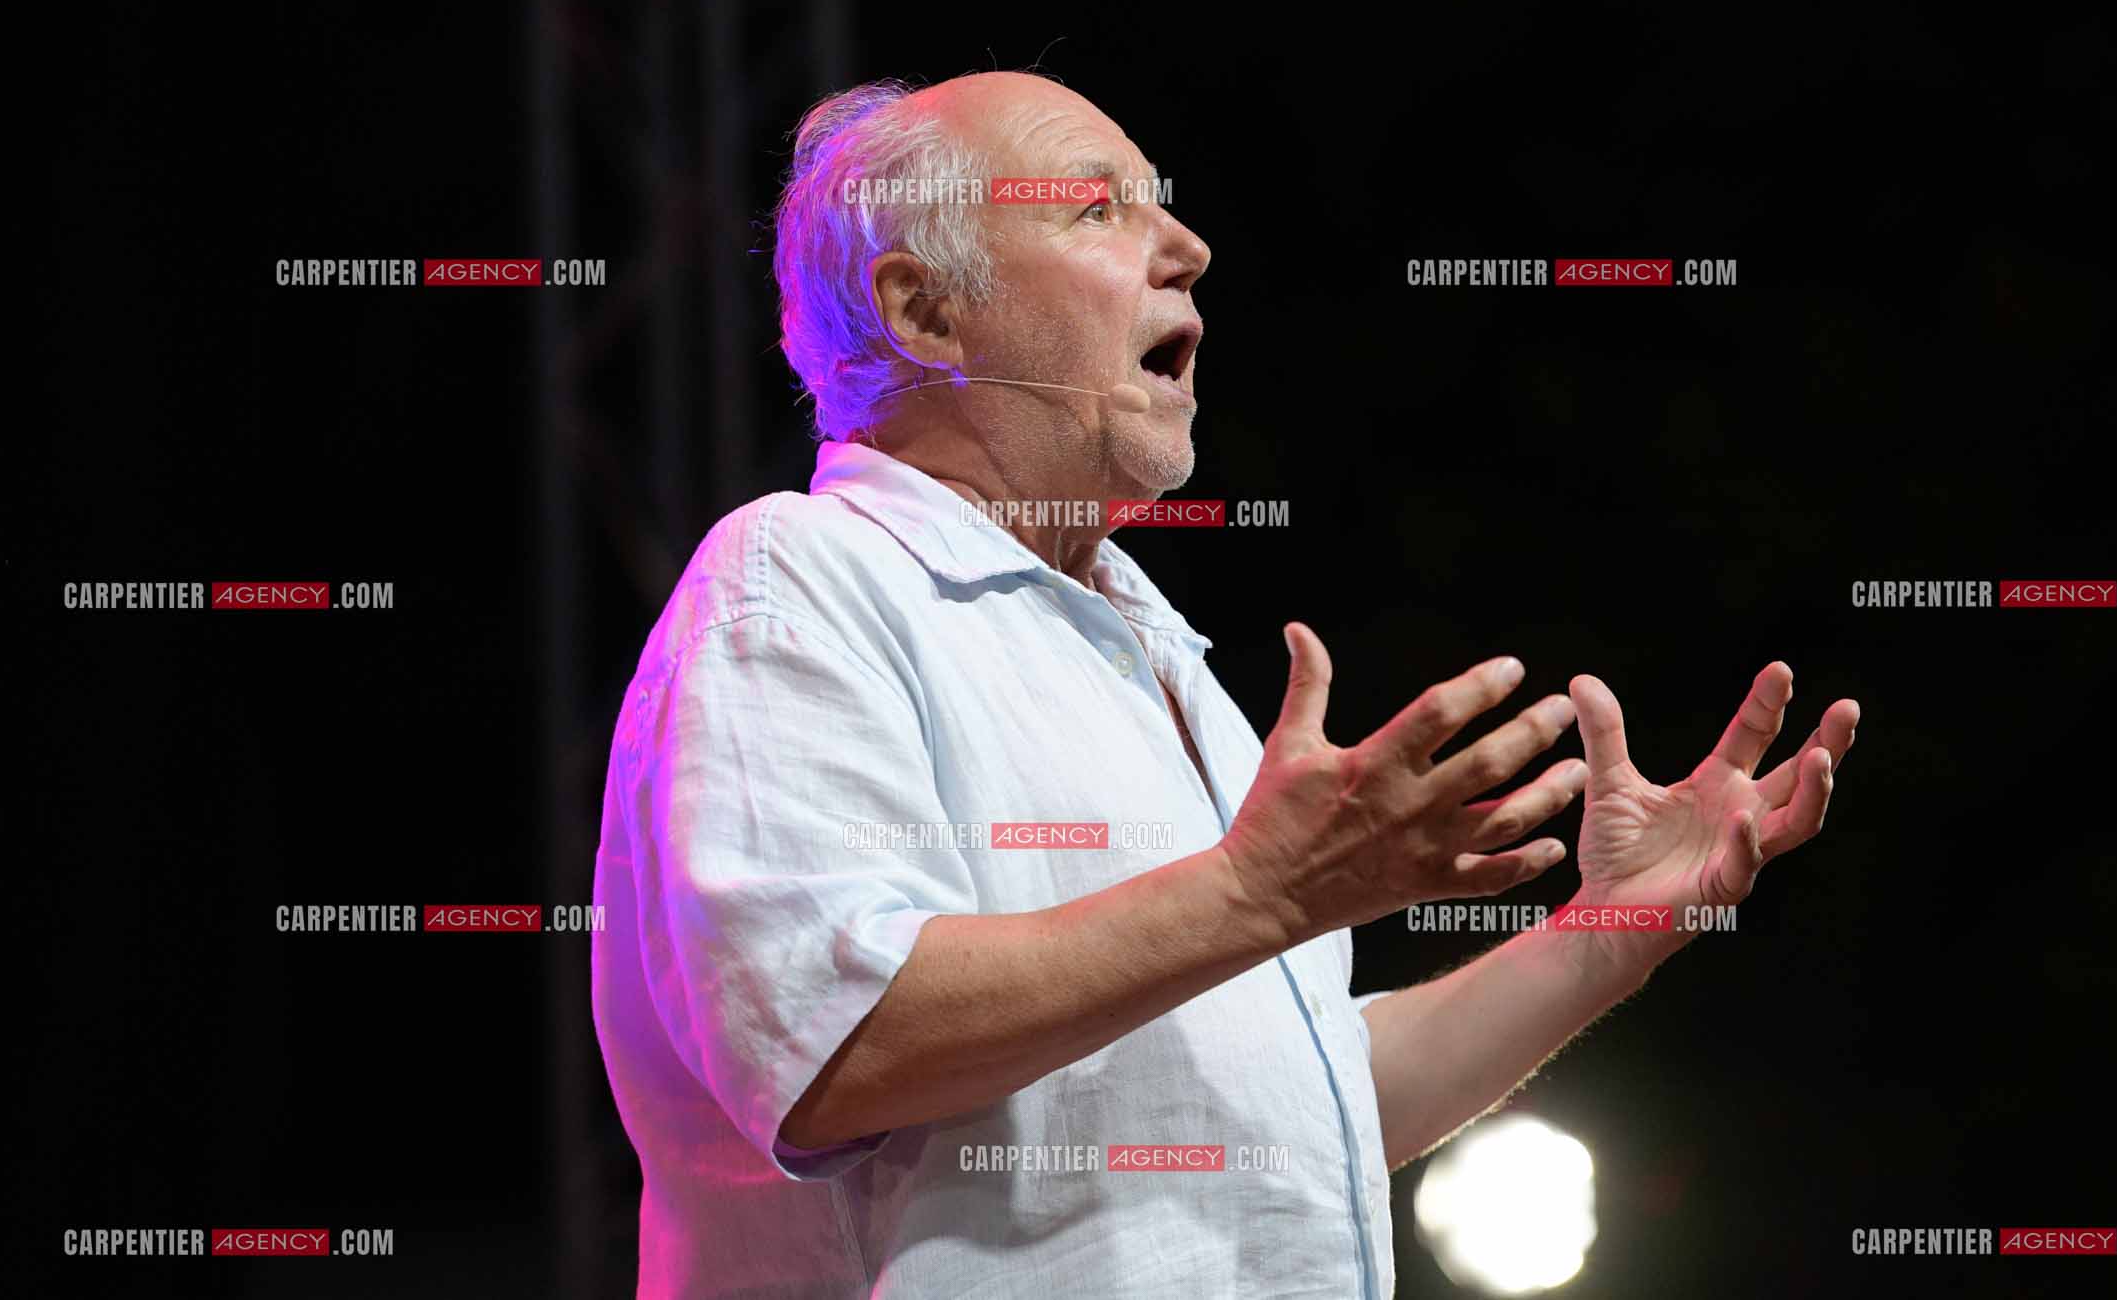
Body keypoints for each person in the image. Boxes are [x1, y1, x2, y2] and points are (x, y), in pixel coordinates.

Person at [589, 70, 1861, 1298]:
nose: (1188, 247)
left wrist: (1612, 933)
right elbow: (833, 1045)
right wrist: (1258, 891)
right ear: (924, 314)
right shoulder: (800, 578)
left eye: (1162, 202)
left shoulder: (1145, 643)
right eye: (1100, 209)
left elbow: (1305, 1112)